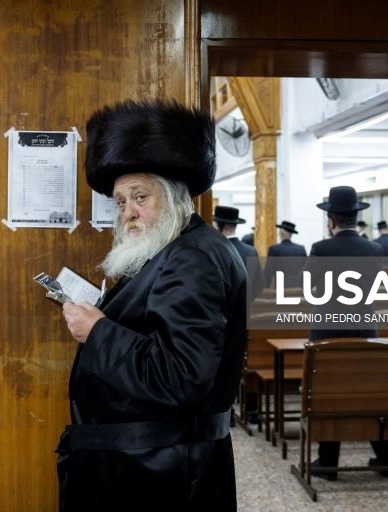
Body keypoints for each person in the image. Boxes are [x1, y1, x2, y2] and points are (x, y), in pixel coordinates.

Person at [56, 99, 247, 511]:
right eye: (121, 202)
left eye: (140, 196)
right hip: (147, 464)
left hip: (161, 474)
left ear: (175, 196)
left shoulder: (191, 258)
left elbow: (179, 376)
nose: (128, 213)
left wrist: (97, 331)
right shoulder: (176, 249)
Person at [308, 185, 388, 480]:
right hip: (365, 332)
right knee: (371, 394)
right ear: (355, 218)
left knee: (330, 396)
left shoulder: (321, 249)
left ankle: (329, 462)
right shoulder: (375, 249)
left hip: (328, 334)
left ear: (331, 219)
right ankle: (386, 459)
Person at [213, 206, 264, 297]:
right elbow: (260, 285)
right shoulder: (251, 251)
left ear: (225, 229)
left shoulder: (215, 251)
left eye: (215, 227)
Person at [264, 220, 307, 288]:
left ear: (281, 233)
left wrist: (265, 287)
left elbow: (268, 272)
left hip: (281, 288)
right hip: (297, 288)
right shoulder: (301, 249)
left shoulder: (274, 249)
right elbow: (306, 270)